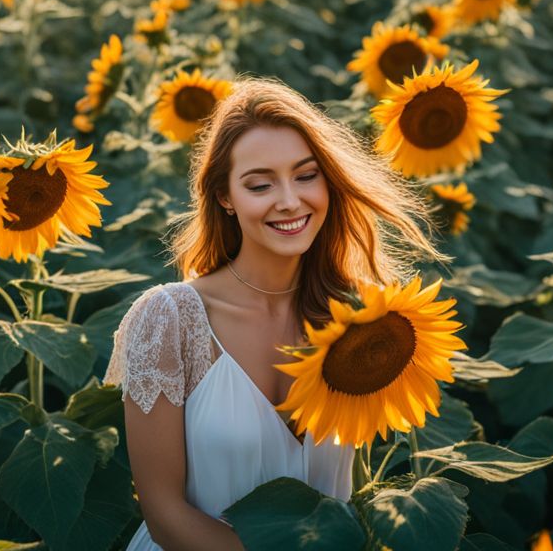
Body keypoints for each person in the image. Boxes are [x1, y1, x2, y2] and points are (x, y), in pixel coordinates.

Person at [103, 78, 447, 551]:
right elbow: (164, 513)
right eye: (260, 184)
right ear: (225, 197)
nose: (289, 200)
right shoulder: (170, 320)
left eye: (306, 175)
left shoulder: (362, 316)